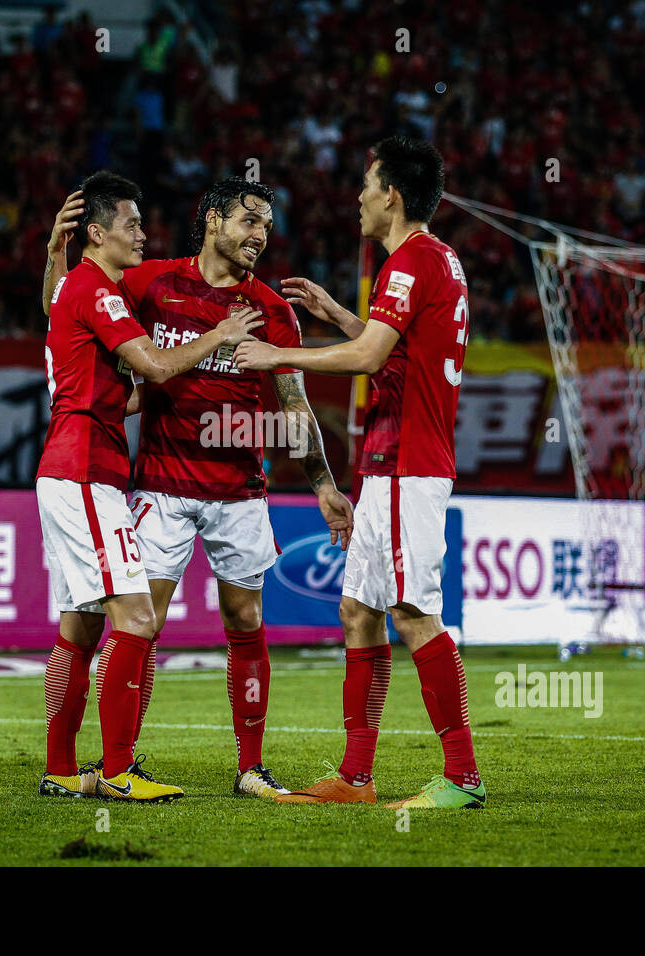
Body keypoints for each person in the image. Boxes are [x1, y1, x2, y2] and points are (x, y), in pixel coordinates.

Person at [43, 178, 353, 798]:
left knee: (245, 617)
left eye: (267, 224)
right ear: (213, 221)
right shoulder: (150, 281)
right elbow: (68, 304)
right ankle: (120, 763)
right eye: (249, 220)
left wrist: (323, 483)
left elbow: (292, 405)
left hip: (239, 489)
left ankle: (250, 766)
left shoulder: (273, 310)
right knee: (142, 621)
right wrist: (56, 255)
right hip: (162, 485)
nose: (260, 234)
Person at [234, 136, 486, 809]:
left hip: (409, 462)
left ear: (392, 197)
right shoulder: (440, 260)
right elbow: (401, 351)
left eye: (367, 185)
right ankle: (356, 777)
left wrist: (281, 353)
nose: (359, 196)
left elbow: (372, 357)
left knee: (412, 613)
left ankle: (462, 775)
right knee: (358, 612)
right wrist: (342, 316)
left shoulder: (408, 262)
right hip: (389, 463)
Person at [35, 170, 263, 802]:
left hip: (75, 465)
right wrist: (218, 336)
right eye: (131, 225)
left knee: (81, 624)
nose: (143, 235)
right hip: (85, 471)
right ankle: (117, 770)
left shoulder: (78, 286)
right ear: (97, 232)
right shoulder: (101, 291)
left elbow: (116, 379)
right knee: (136, 617)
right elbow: (158, 365)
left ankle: (60, 769)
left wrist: (52, 258)